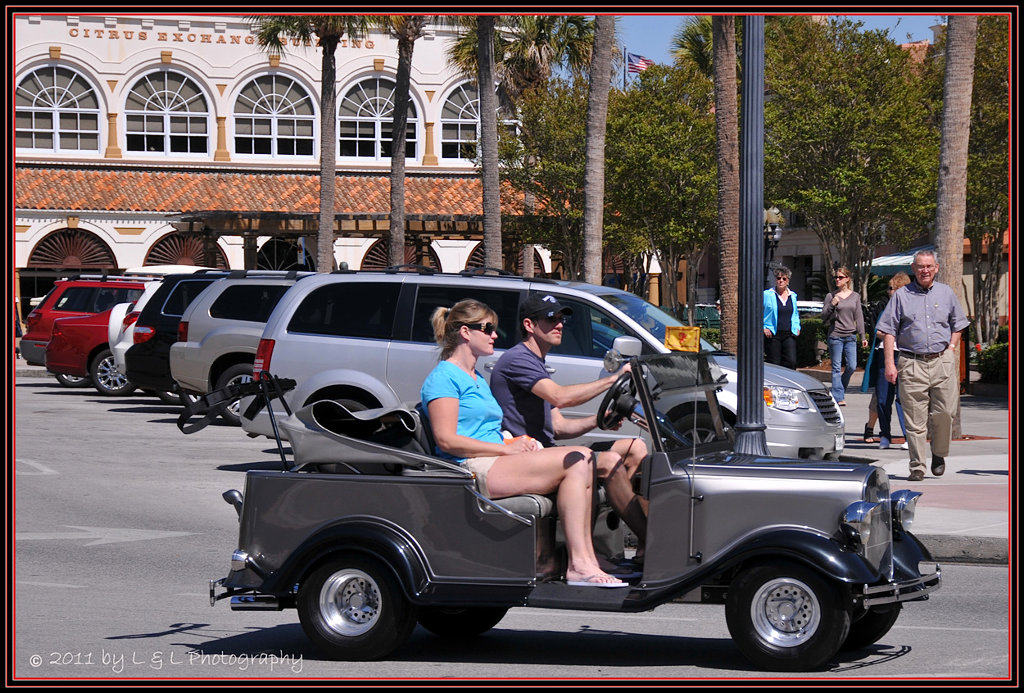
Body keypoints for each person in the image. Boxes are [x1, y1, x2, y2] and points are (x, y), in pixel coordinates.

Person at [420, 298, 628, 587]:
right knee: (577, 458)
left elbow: (486, 428)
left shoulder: (476, 377)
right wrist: (505, 448)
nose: (495, 335)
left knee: (583, 458)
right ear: (465, 332)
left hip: (495, 459)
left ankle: (587, 562)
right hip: (468, 468)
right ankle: (579, 565)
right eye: (488, 328)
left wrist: (515, 440)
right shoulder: (443, 377)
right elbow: (447, 440)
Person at [490, 293, 649, 566]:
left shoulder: (536, 362)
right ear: (529, 325)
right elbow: (560, 397)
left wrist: (601, 420)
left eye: (561, 319)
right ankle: (652, 541)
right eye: (551, 319)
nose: (559, 324)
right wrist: (615, 378)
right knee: (609, 461)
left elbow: (559, 426)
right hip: (525, 454)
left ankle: (624, 531)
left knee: (636, 448)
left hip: (545, 450)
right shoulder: (518, 360)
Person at [877, 250, 968, 481]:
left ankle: (938, 453)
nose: (925, 270)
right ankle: (917, 465)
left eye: (929, 266)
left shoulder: (946, 293)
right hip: (911, 362)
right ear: (913, 268)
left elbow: (958, 325)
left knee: (945, 413)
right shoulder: (901, 296)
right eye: (920, 266)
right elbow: (887, 331)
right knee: (914, 419)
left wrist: (951, 349)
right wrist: (890, 364)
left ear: (936, 268)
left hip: (942, 361)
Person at [863, 272, 911, 449]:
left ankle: (907, 436)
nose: (890, 292)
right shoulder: (884, 307)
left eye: (893, 288)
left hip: (904, 355)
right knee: (883, 398)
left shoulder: (910, 306)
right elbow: (877, 331)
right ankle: (884, 435)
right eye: (890, 288)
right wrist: (890, 333)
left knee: (902, 399)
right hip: (885, 354)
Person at [821, 266, 867, 406]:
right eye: (836, 277)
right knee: (836, 368)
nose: (837, 280)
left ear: (847, 279)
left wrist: (863, 336)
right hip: (835, 335)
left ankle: (839, 388)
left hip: (850, 336)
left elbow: (859, 317)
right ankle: (839, 396)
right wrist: (832, 305)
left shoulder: (855, 296)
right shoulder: (831, 296)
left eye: (840, 277)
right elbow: (823, 316)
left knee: (852, 366)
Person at [762, 266, 801, 370]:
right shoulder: (767, 294)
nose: (781, 281)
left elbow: (795, 313)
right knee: (775, 363)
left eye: (784, 279)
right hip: (773, 334)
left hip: (789, 333)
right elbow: (757, 312)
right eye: (778, 278)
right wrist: (764, 327)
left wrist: (797, 327)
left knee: (791, 361)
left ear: (788, 281)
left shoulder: (792, 296)